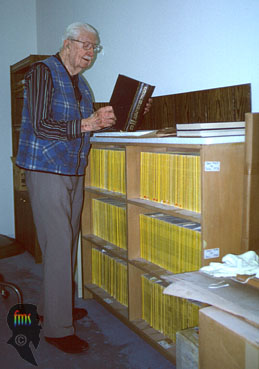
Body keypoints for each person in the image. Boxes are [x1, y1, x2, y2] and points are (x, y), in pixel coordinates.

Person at [16, 22, 151, 354]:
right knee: (60, 244)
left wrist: (117, 116)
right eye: (86, 45)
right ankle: (58, 329)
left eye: (95, 48)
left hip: (74, 169)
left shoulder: (82, 84)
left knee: (66, 241)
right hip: (46, 168)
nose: (90, 52)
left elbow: (83, 125)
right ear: (67, 44)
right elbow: (42, 124)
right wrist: (89, 122)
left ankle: (54, 307)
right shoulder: (41, 72)